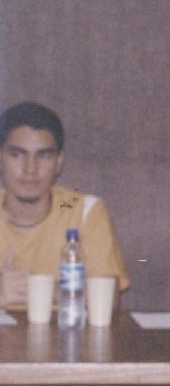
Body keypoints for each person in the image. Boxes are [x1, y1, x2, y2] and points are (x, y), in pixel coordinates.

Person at [0, 102, 129, 308]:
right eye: (17, 155)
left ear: (59, 162)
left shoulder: (83, 209)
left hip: (65, 328)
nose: (30, 169)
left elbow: (108, 299)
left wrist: (41, 288)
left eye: (43, 155)